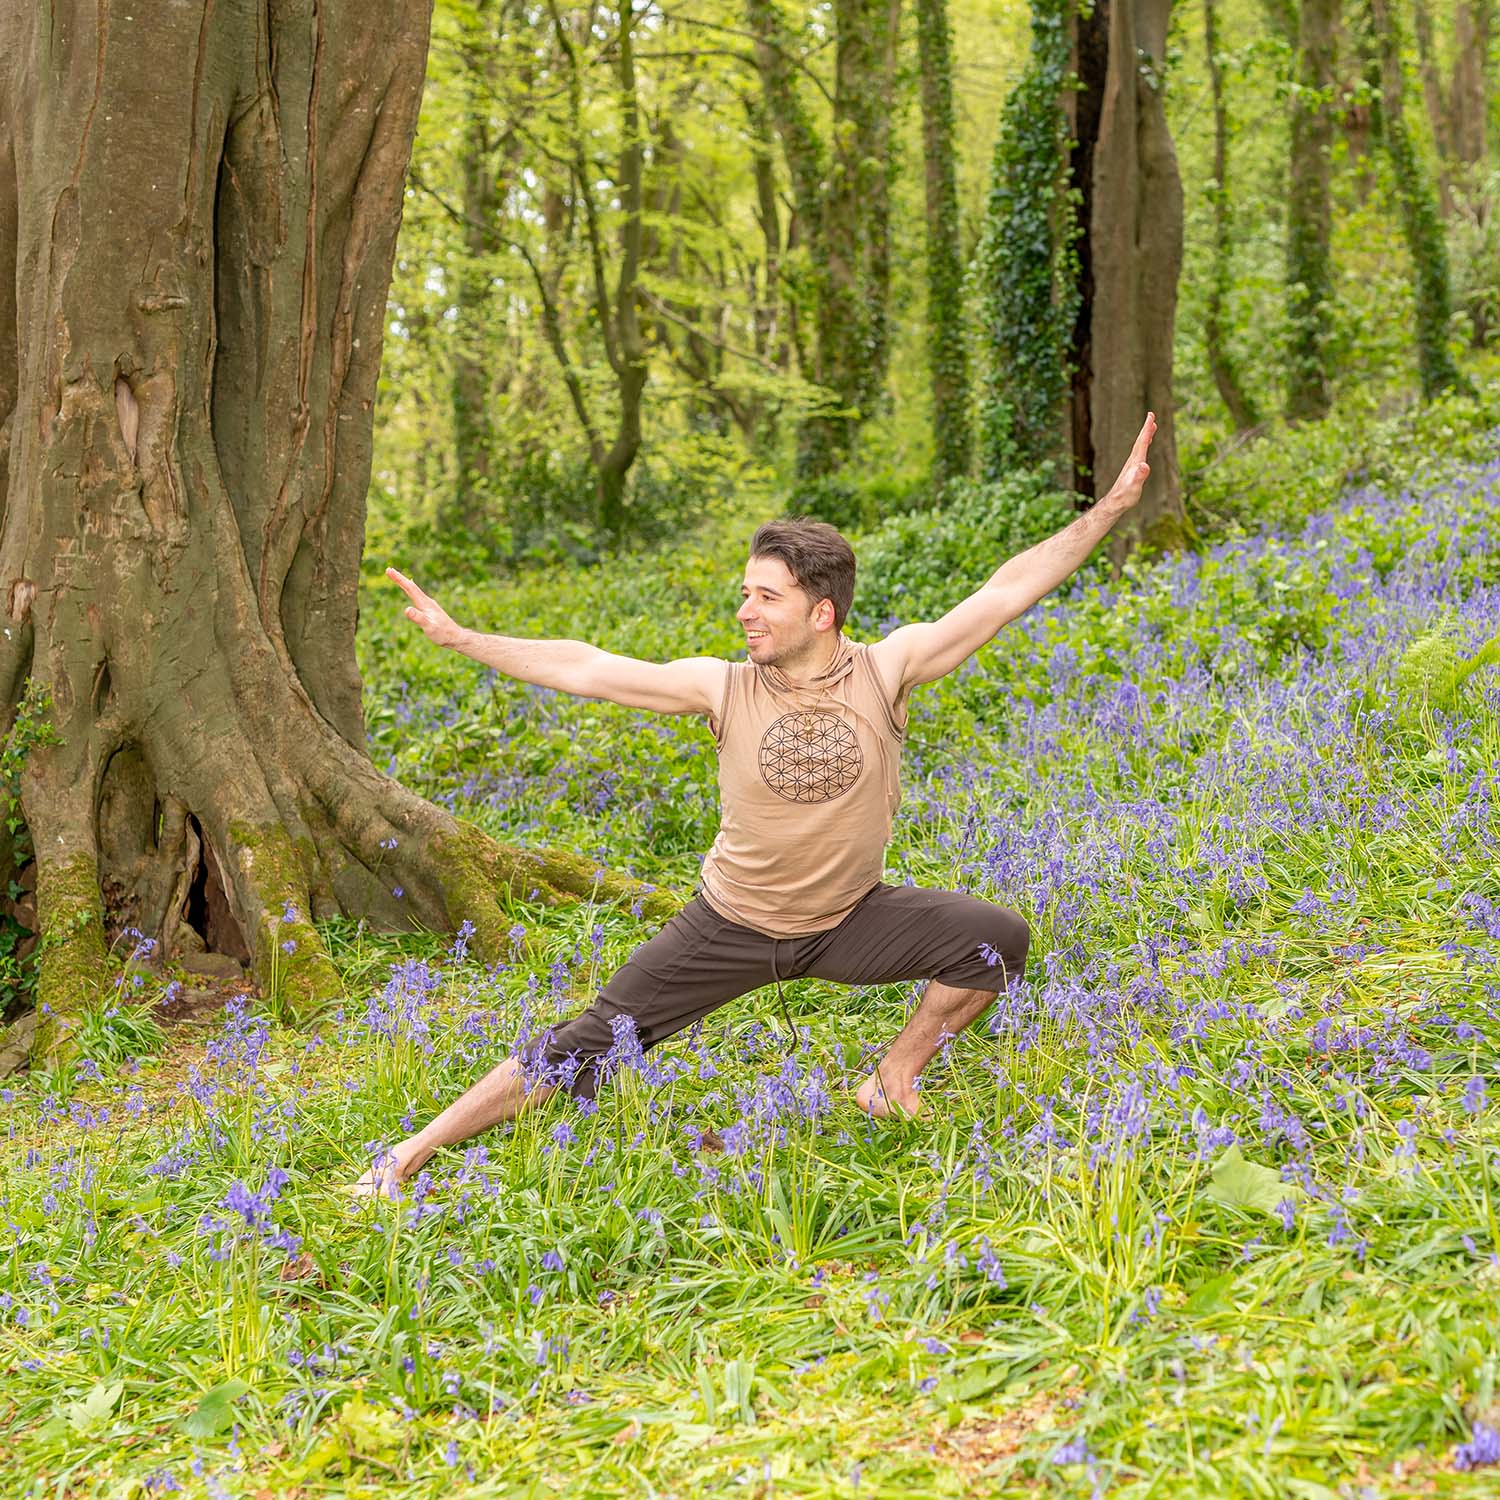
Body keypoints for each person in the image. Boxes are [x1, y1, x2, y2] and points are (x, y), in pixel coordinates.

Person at [351, 416, 1157, 1196]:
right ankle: (407, 1156)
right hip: (728, 926)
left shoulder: (887, 671)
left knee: (996, 942)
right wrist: (463, 639)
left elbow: (1005, 592)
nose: (745, 611)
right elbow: (588, 666)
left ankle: (892, 1078)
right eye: (745, 594)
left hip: (847, 919)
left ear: (821, 612)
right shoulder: (723, 687)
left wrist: (1112, 507)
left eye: (766, 597)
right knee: (586, 1043)